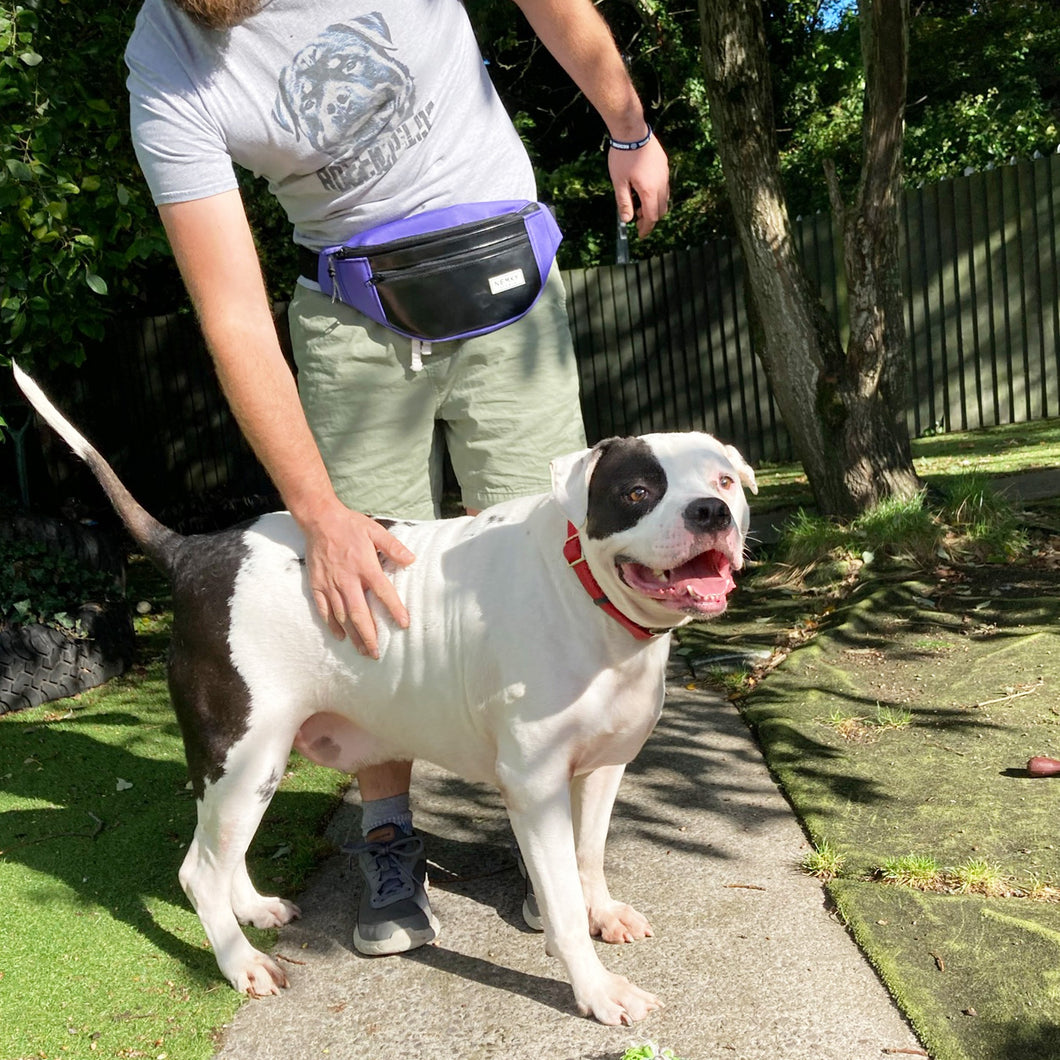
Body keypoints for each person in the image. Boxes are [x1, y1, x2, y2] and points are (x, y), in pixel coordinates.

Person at [125, 0, 669, 958]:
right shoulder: (165, 58)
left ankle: (575, 870)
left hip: (507, 292)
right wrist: (316, 510)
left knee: (568, 571)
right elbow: (234, 315)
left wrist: (629, 126)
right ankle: (389, 840)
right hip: (350, 314)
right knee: (367, 598)